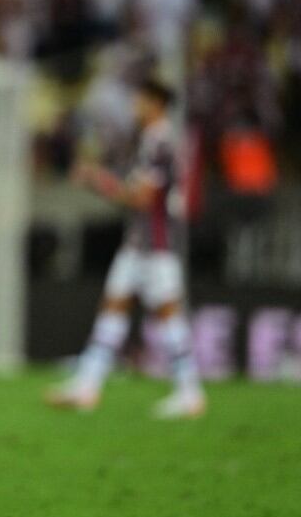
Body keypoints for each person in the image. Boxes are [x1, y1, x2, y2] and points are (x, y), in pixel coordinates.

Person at [47, 79, 206, 419]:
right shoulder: (150, 141)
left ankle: (190, 392)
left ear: (157, 104)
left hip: (156, 244)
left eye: (142, 101)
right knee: (113, 308)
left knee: (167, 314)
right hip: (139, 243)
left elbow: (141, 199)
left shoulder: (160, 143)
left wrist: (97, 181)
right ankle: (87, 386)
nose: (136, 107)